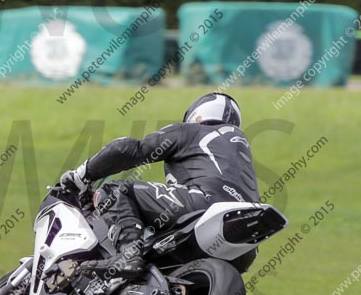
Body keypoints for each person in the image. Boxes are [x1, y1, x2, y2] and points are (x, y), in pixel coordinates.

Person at [59, 92, 259, 279]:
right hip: (246, 245)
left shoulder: (194, 131)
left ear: (197, 114)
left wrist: (82, 174)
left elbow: (128, 150)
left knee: (115, 190)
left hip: (203, 204)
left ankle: (128, 255)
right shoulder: (239, 152)